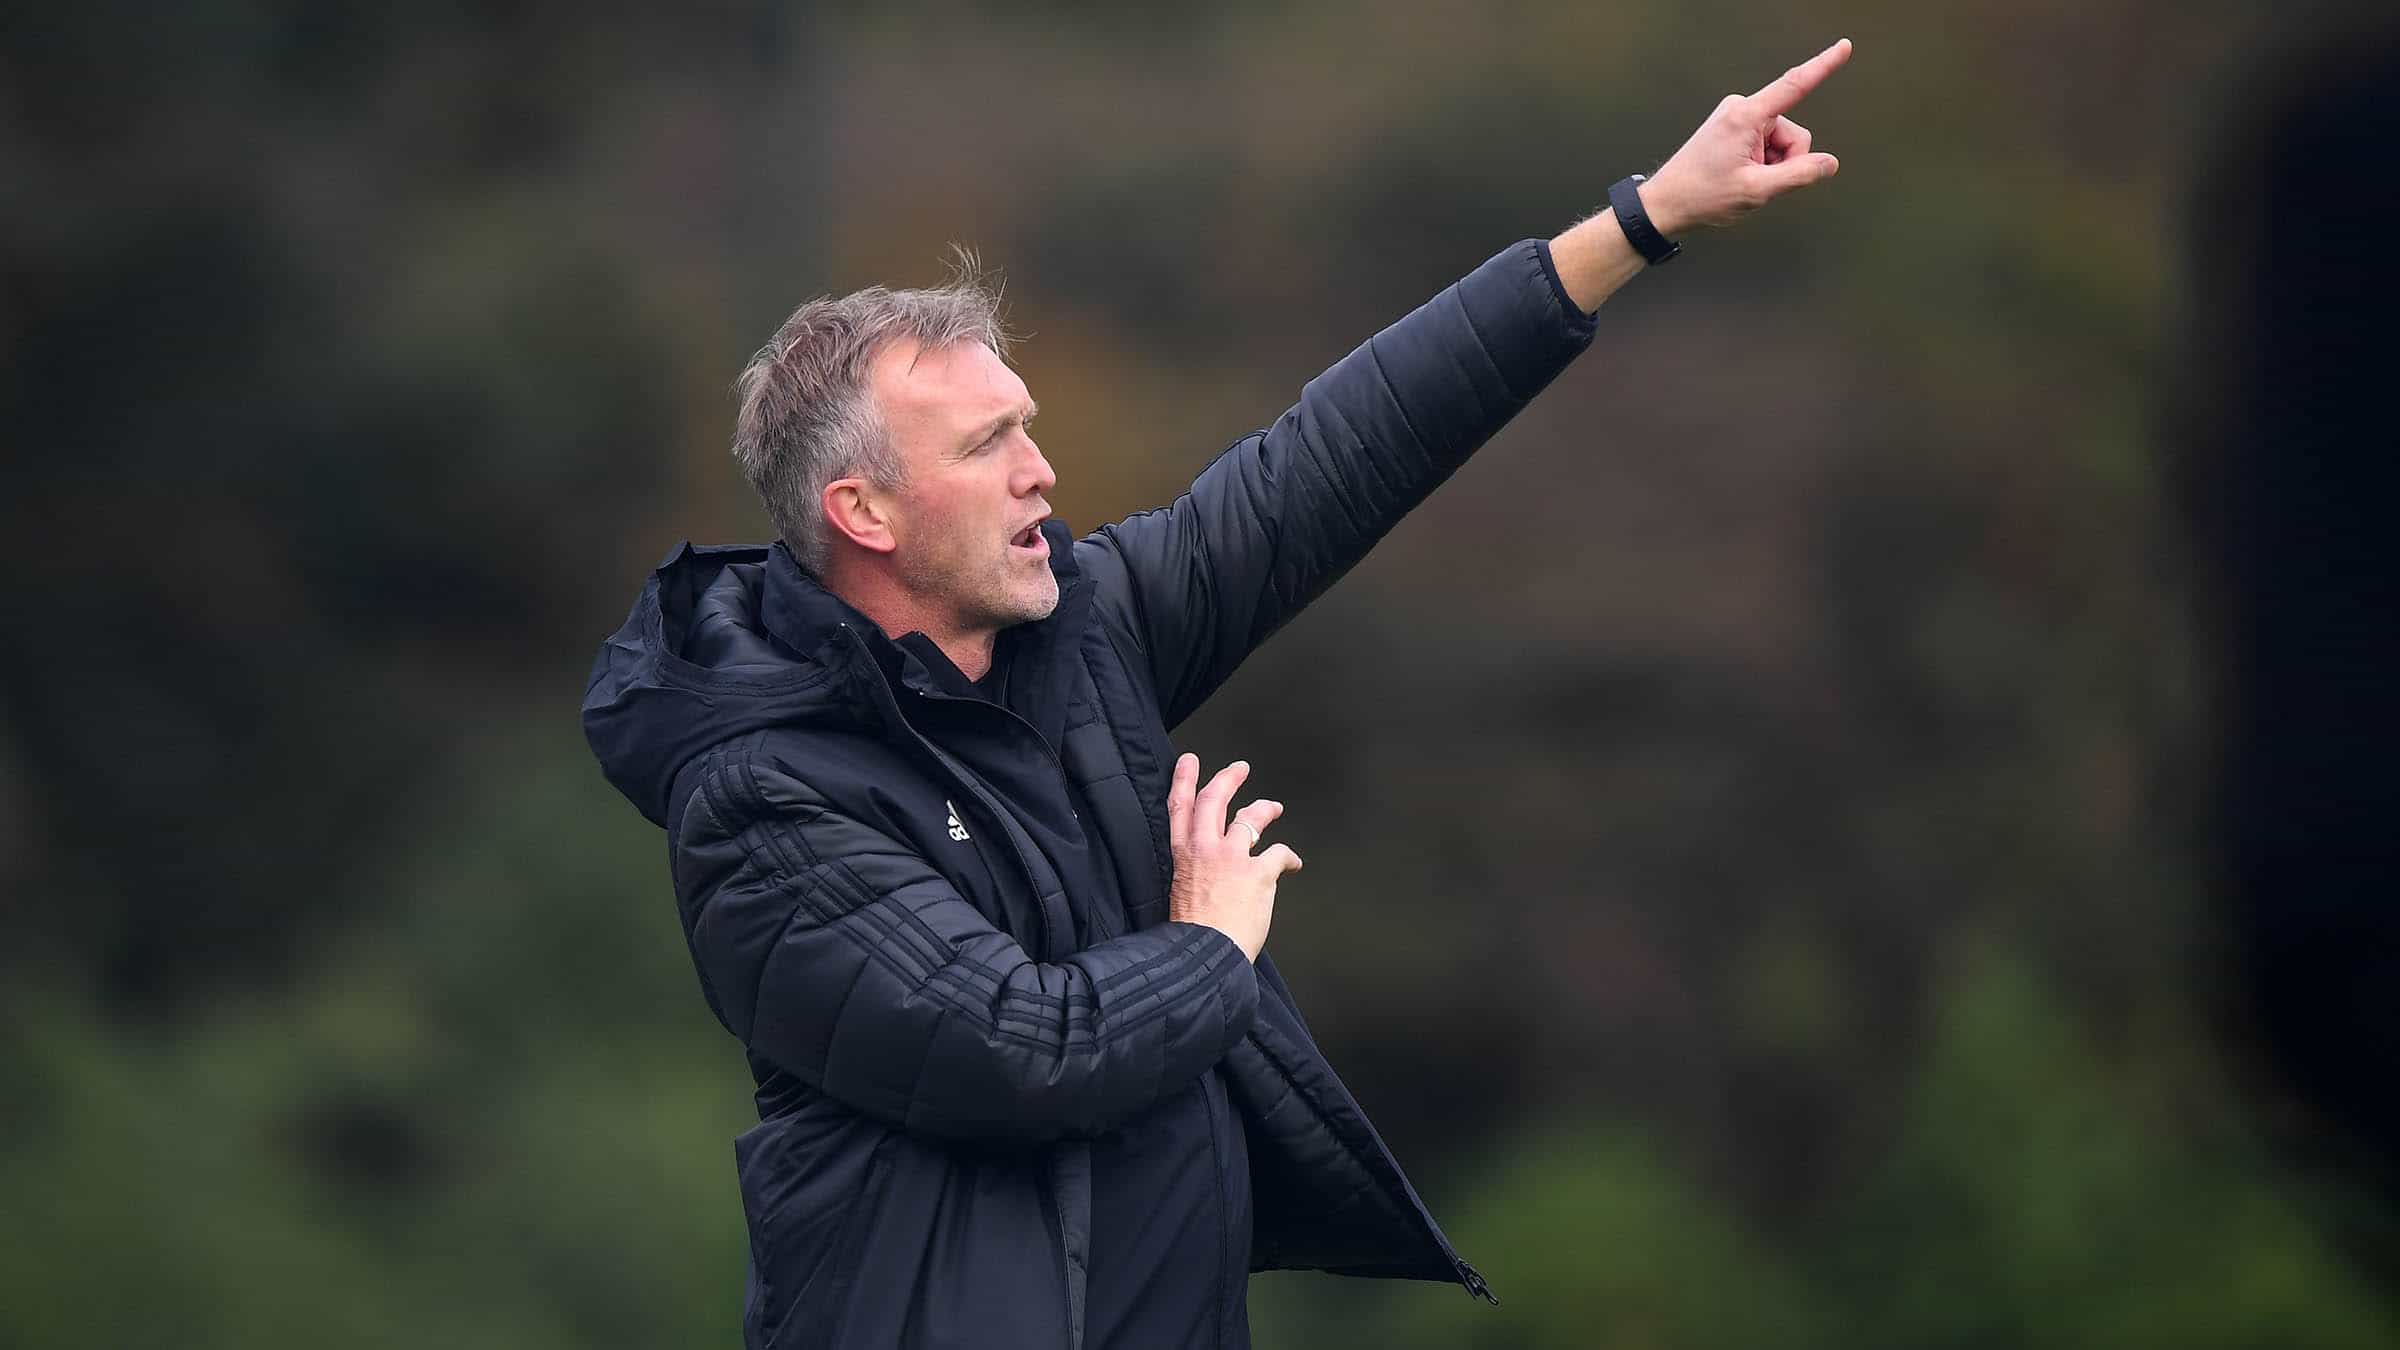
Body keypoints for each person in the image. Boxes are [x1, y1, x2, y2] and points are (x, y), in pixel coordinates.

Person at [582, 38, 1851, 1350]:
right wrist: (1210, 942)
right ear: (865, 512)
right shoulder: (763, 803)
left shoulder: (1079, 633)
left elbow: (1341, 453)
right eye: (987, 443)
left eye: (1027, 423)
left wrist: (1642, 219)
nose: (1039, 468)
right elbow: (1025, 1050)